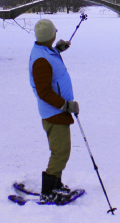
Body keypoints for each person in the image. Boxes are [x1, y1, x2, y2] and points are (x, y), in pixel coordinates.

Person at [29, 19, 80, 204]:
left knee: (60, 150)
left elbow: (48, 61)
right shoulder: (41, 59)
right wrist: (65, 106)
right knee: (60, 151)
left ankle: (56, 184)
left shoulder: (44, 51)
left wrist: (57, 50)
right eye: (55, 32)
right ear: (51, 35)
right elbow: (43, 91)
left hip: (56, 110)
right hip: (54, 112)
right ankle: (49, 190)